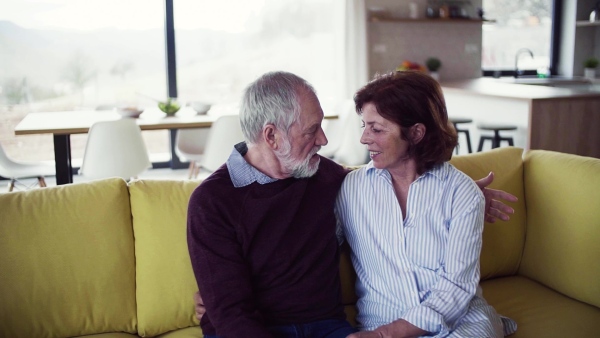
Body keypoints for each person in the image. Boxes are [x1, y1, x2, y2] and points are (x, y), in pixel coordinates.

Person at [187, 71, 517, 338]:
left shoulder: (326, 177)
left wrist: (461, 196)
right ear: (271, 136)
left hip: (325, 325)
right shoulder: (212, 202)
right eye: (312, 130)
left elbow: (401, 183)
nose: (325, 141)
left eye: (375, 128)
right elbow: (231, 314)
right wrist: (216, 302)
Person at [336, 71, 517, 337]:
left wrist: (386, 335)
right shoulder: (350, 189)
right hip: (382, 319)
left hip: (458, 321)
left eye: (376, 128)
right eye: (363, 125)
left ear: (416, 133)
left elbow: (456, 286)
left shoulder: (462, 193)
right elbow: (315, 248)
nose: (364, 138)